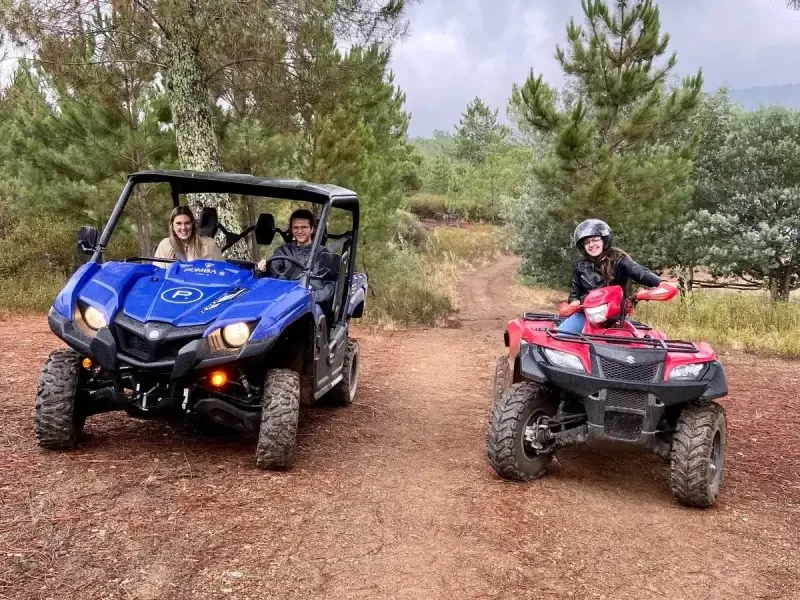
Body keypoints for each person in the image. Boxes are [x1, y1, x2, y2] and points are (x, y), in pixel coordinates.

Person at [558, 218, 670, 333]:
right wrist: (574, 303)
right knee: (559, 336)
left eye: (595, 239)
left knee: (629, 344)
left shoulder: (619, 260)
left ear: (604, 240)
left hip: (616, 317)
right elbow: (574, 294)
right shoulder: (580, 266)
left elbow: (639, 272)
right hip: (586, 314)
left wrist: (660, 283)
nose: (591, 244)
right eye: (587, 242)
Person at [256, 209, 336, 306]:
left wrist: (310, 297)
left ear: (311, 229)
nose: (299, 231)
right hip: (286, 303)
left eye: (304, 227)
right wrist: (260, 268)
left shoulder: (324, 254)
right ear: (291, 229)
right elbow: (272, 275)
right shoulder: (283, 251)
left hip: (313, 304)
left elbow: (330, 287)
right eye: (296, 227)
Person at [153, 206, 223, 264]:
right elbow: (157, 272)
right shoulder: (165, 245)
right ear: (173, 226)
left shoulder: (208, 244)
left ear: (192, 224)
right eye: (179, 223)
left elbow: (222, 270)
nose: (183, 228)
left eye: (187, 223)